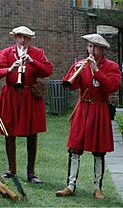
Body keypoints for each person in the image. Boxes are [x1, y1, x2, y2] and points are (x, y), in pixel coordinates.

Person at [56, 34, 121, 199]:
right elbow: (69, 84)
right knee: (74, 148)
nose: (92, 50)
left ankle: (98, 188)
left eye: (95, 47)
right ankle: (70, 185)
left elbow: (112, 86)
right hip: (83, 108)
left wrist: (96, 70)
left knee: (99, 151)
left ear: (102, 49)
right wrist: (75, 72)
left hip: (99, 109)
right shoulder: (81, 64)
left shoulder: (111, 66)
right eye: (90, 46)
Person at [0, 26, 53, 183]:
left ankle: (31, 173)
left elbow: (47, 71)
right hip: (11, 94)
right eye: (19, 37)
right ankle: (11, 170)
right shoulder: (6, 52)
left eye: (25, 37)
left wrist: (32, 61)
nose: (22, 40)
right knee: (9, 132)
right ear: (15, 37)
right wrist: (11, 68)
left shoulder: (37, 53)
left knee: (32, 133)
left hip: (29, 95)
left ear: (30, 39)